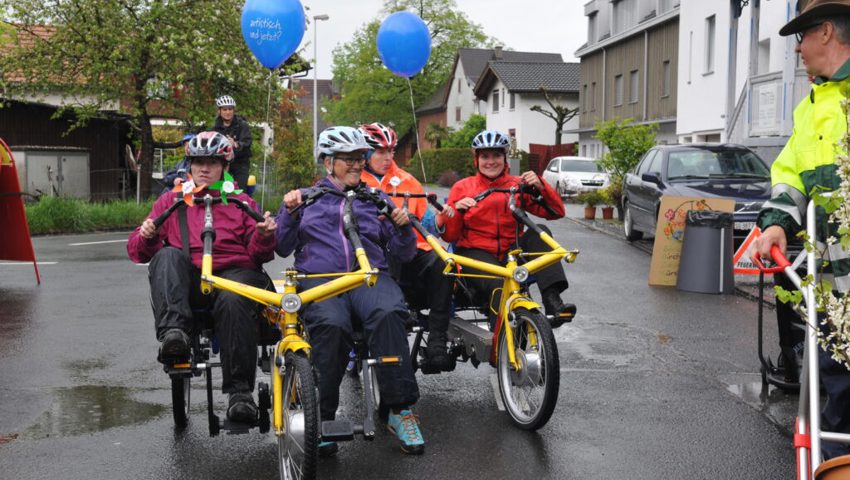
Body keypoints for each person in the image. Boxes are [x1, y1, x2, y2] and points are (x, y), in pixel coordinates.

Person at [275, 126, 425, 455]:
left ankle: (401, 412)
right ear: (328, 163)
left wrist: (402, 229)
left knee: (388, 312)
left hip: (368, 275)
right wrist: (287, 213)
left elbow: (404, 254)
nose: (357, 165)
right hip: (320, 279)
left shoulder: (376, 199)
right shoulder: (304, 199)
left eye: (360, 158)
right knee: (330, 325)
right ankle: (323, 417)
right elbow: (282, 247)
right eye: (348, 159)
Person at [752, 0, 850, 460]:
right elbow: (790, 173)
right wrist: (775, 225)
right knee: (838, 386)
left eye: (802, 36)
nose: (796, 50)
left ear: (826, 32)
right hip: (834, 281)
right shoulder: (810, 108)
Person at [128, 131, 278, 425]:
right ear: (190, 165)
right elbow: (138, 252)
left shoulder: (242, 202)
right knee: (166, 256)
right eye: (198, 162)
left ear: (224, 166)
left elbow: (260, 256)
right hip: (192, 284)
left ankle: (240, 396)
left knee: (235, 298)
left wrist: (263, 236)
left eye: (211, 162)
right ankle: (174, 336)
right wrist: (146, 236)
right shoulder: (171, 201)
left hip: (233, 277)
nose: (204, 168)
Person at [439, 130, 577, 327]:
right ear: (476, 159)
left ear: (505, 158)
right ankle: (500, 343)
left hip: (511, 251)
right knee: (500, 284)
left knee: (541, 230)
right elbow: (450, 235)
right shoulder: (462, 187)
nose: (491, 161)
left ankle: (552, 300)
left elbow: (556, 211)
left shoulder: (517, 185)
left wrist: (540, 185)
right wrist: (457, 211)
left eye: (496, 155)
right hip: (475, 254)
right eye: (485, 156)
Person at [359, 122, 456, 372]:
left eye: (391, 150)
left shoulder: (407, 180)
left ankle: (436, 342)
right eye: (381, 152)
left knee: (442, 263)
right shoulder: (354, 180)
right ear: (365, 154)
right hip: (370, 258)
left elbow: (426, 224)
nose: (388, 157)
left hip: (411, 251)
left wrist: (442, 217)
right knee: (387, 257)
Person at [213, 95, 252, 190]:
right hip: (222, 164)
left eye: (230, 109)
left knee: (239, 190)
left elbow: (247, 142)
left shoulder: (242, 125)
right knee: (216, 189)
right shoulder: (215, 128)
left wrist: (235, 144)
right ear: (220, 111)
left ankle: (242, 202)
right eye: (225, 109)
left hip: (240, 163)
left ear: (234, 110)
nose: (228, 112)